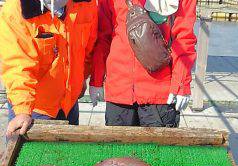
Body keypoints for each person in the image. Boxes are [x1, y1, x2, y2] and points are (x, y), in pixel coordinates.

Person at [89, 0, 197, 127]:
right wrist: (96, 79)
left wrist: (181, 83)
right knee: (118, 147)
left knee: (158, 147)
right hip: (119, 89)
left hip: (160, 93)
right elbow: (103, 37)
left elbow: (184, 37)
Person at [0, 0, 97, 137]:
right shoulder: (16, 10)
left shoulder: (87, 3)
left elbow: (88, 45)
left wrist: (82, 77)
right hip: (35, 110)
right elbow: (17, 67)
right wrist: (23, 111)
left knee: (69, 155)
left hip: (69, 104)